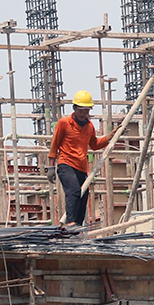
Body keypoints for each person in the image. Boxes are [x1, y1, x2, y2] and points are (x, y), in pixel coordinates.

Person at [46, 90, 110, 228]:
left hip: (81, 167)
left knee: (82, 196)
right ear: (74, 108)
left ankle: (77, 227)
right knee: (74, 191)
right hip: (66, 164)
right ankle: (70, 222)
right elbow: (54, 145)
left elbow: (94, 145)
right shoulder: (64, 123)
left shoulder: (89, 126)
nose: (83, 114)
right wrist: (51, 167)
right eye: (81, 110)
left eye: (86, 111)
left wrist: (109, 137)